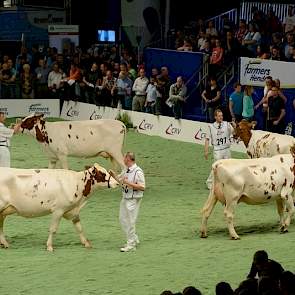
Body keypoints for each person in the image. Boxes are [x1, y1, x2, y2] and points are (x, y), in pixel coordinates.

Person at [110, 152, 145, 252]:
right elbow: (120, 181)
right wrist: (113, 175)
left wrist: (128, 183)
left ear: (128, 159)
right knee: (122, 219)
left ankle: (131, 244)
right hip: (125, 197)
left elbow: (142, 187)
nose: (123, 159)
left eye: (124, 157)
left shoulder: (138, 171)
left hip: (133, 199)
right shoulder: (126, 170)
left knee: (130, 221)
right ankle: (133, 238)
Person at [204, 109, 234, 190]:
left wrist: (234, 126)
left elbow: (234, 133)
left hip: (226, 149)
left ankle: (227, 182)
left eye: (222, 116)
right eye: (219, 116)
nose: (221, 117)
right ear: (215, 117)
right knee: (217, 167)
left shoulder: (227, 125)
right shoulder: (210, 127)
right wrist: (206, 151)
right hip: (217, 150)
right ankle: (210, 182)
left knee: (229, 166)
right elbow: (207, 139)